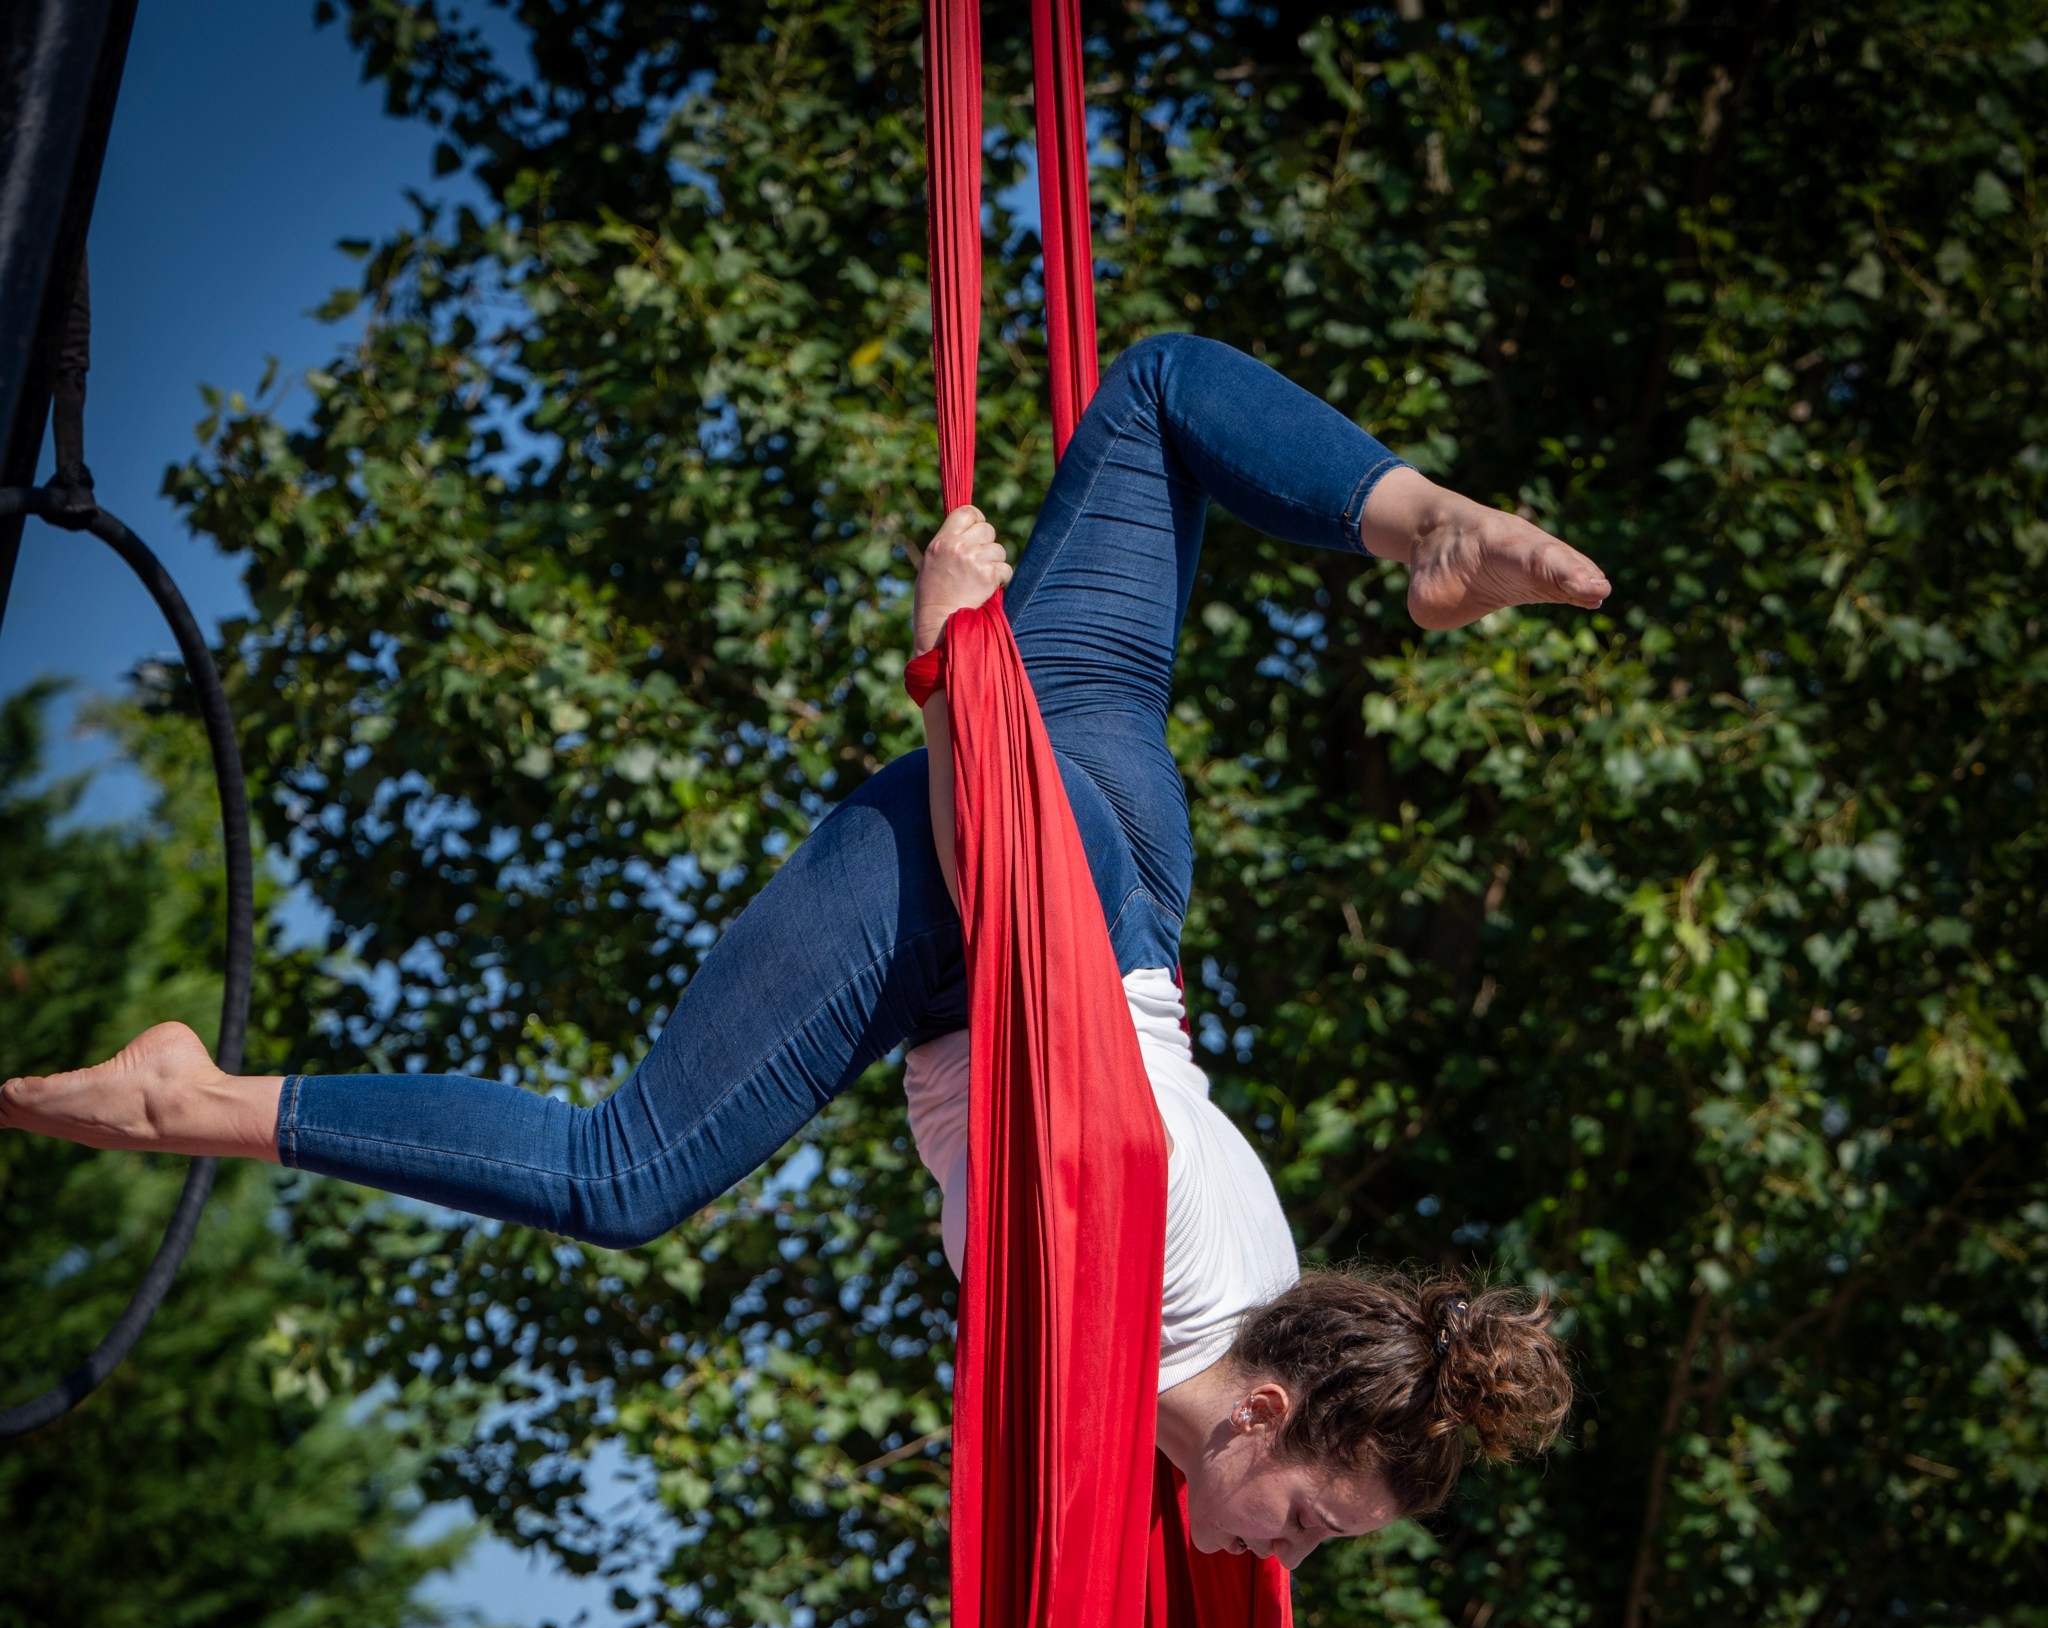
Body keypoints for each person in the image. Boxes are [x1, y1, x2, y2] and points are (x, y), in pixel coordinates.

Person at [3, 335, 1590, 1565]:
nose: (1286, 1560)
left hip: (1133, 873)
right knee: (621, 1179)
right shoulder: (1158, 1268)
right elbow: (1028, 949)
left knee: (1158, 396)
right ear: (1264, 1415)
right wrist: (956, 674)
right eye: (1308, 1523)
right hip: (1006, 888)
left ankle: (1425, 521)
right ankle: (183, 1099)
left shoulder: (1272, 1302)